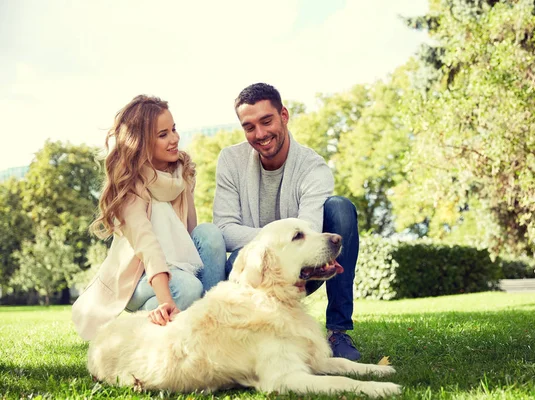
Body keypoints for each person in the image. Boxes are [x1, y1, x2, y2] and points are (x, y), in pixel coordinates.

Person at [198, 83, 361, 360]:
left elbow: (306, 233)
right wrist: (273, 243)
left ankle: (338, 332)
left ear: (284, 116)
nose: (260, 134)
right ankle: (230, 336)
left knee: (340, 208)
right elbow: (224, 229)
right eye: (249, 127)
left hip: (303, 267)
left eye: (266, 121)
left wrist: (281, 243)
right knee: (232, 247)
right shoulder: (230, 160)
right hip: (251, 266)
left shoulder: (313, 167)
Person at [72, 95, 227, 341]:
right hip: (139, 276)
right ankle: (153, 319)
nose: (175, 139)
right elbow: (148, 247)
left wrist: (184, 180)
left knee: (210, 233)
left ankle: (213, 328)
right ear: (142, 143)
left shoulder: (180, 174)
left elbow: (189, 234)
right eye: (163, 134)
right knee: (188, 288)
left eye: (174, 129)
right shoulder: (130, 187)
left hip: (179, 267)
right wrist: (166, 301)